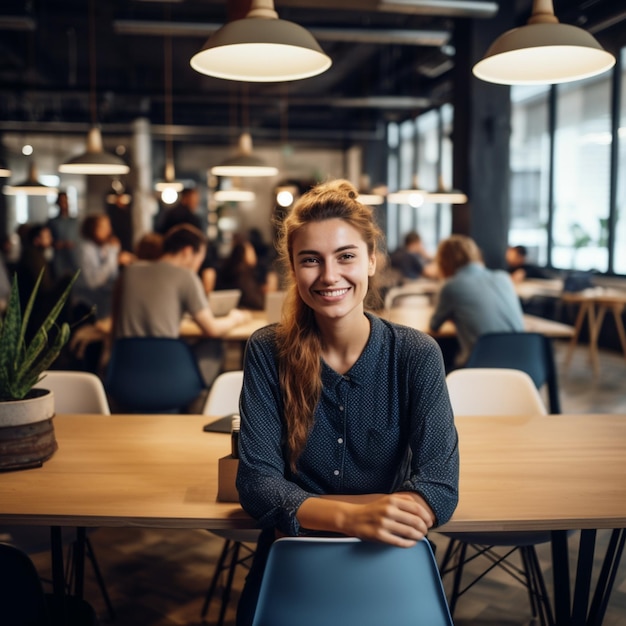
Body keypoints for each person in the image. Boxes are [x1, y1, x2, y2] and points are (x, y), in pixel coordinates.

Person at [235, 179, 459, 626]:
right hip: (292, 561)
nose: (330, 276)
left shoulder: (416, 354)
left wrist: (305, 507)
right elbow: (256, 482)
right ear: (294, 270)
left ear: (372, 260)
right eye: (311, 261)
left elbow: (439, 485)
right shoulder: (267, 350)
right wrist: (356, 516)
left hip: (389, 558)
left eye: (346, 256)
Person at [113, 224, 251, 388]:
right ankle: (199, 404)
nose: (198, 267)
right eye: (199, 260)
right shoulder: (186, 276)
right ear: (187, 252)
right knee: (214, 346)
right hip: (168, 376)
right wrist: (235, 318)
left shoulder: (129, 272)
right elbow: (212, 329)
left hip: (124, 374)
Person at [430, 235, 524, 366]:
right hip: (523, 363)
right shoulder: (504, 278)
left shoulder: (452, 286)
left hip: (480, 368)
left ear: (443, 261)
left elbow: (434, 325)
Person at [74, 213, 135, 320]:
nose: (108, 231)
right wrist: (114, 258)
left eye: (108, 226)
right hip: (87, 307)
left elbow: (112, 278)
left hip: (104, 305)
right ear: (92, 228)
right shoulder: (85, 249)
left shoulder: (104, 247)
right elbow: (93, 282)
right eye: (103, 227)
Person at [214, 236, 267, 310]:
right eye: (251, 251)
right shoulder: (243, 274)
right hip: (246, 312)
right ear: (243, 254)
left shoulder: (230, 270)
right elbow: (253, 301)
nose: (254, 255)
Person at [47, 191, 80, 280]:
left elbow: (80, 239)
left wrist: (74, 244)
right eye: (61, 201)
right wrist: (56, 244)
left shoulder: (75, 221)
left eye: (65, 201)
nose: (64, 204)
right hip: (59, 260)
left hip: (73, 258)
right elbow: (47, 240)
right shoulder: (52, 222)